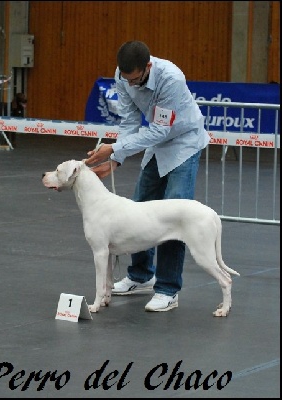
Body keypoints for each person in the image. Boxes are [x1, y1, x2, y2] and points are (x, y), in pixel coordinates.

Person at [85, 40, 210, 312]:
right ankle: (140, 276)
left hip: (184, 143)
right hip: (156, 144)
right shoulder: (123, 76)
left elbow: (161, 130)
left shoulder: (171, 78)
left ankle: (167, 289)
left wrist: (115, 148)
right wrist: (115, 159)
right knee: (138, 209)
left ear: (148, 67)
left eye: (136, 80)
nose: (130, 85)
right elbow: (130, 122)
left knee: (175, 214)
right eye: (125, 79)